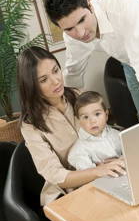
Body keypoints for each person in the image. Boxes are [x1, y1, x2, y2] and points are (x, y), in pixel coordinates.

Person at [17, 46, 124, 206]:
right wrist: (95, 171)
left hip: (106, 173)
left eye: (55, 70)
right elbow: (55, 175)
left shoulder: (77, 95)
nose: (56, 81)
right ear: (31, 85)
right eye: (43, 80)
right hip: (67, 191)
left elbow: (105, 132)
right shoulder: (30, 124)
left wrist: (120, 156)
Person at [68, 91, 123, 170]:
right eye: (86, 117)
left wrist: (121, 160)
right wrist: (98, 167)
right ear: (79, 121)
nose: (92, 121)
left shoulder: (117, 134)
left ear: (106, 115)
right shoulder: (79, 150)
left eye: (97, 114)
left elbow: (131, 152)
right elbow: (87, 173)